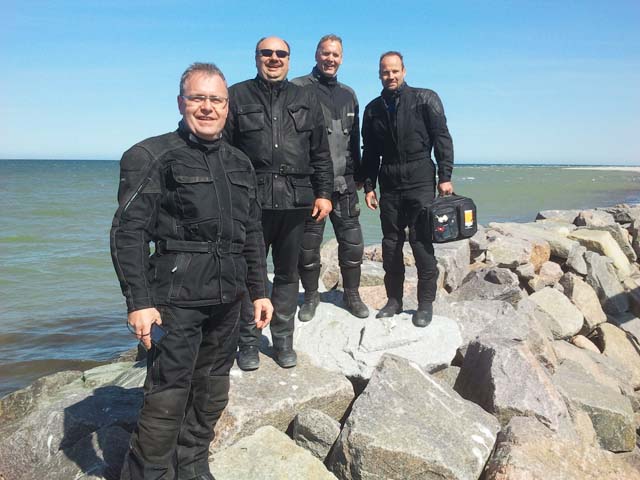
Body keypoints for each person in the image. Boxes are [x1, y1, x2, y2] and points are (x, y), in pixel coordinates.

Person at [111, 62, 272, 480]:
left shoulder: (240, 163)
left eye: (216, 100)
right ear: (181, 102)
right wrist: (139, 302)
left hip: (229, 299)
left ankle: (193, 466)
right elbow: (128, 232)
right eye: (198, 98)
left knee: (212, 390)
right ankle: (149, 474)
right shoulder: (151, 155)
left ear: (227, 107)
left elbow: (252, 233)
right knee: (167, 394)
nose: (207, 107)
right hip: (174, 300)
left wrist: (259, 290)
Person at [224, 36, 333, 370]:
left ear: (289, 59)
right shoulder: (236, 95)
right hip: (250, 203)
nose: (274, 58)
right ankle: (248, 342)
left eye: (280, 53)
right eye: (267, 53)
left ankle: (283, 340)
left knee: (288, 274)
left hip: (295, 202)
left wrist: (324, 193)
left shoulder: (306, 97)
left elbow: (320, 151)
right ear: (256, 57)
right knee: (248, 274)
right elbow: (224, 152)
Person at [361, 51, 454, 328]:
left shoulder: (425, 98)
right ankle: (394, 300)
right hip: (389, 182)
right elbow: (370, 152)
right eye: (385, 72)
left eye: (395, 71)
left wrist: (445, 176)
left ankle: (425, 304)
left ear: (404, 71)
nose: (390, 76)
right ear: (379, 74)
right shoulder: (373, 109)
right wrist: (369, 186)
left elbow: (442, 137)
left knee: (421, 242)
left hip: (420, 179)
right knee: (390, 245)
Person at [291, 34, 369, 321]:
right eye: (325, 53)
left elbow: (355, 139)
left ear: (342, 58)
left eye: (335, 54)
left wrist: (361, 175)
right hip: (312, 186)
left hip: (344, 183)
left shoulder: (349, 94)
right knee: (307, 248)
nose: (330, 59)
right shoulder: (298, 88)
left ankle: (352, 295)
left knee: (353, 245)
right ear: (316, 55)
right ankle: (311, 296)